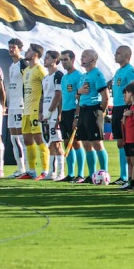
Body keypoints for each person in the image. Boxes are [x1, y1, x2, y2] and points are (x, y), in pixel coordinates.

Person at [75, 49, 110, 184]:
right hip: (83, 110)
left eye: (84, 56)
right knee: (86, 144)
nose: (82, 58)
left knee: (97, 143)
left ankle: (104, 174)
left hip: (93, 110)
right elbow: (77, 95)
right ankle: (91, 175)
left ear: (92, 59)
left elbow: (105, 97)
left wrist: (101, 111)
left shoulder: (97, 74)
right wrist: (78, 92)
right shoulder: (84, 76)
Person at [19, 44, 48, 180]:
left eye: (29, 51)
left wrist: (42, 110)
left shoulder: (40, 70)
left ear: (35, 54)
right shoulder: (25, 71)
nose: (26, 52)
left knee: (39, 139)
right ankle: (31, 171)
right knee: (27, 140)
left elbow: (46, 89)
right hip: (26, 110)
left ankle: (45, 171)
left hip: (36, 110)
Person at [110, 45, 134, 184]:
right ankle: (123, 175)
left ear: (127, 55)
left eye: (118, 53)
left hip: (124, 107)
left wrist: (130, 108)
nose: (116, 55)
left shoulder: (131, 71)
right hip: (116, 107)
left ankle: (127, 176)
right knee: (120, 142)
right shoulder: (118, 71)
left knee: (125, 141)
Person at [57, 51, 84, 181]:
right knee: (67, 143)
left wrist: (77, 116)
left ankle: (80, 174)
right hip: (65, 112)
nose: (63, 62)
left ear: (73, 60)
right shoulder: (64, 77)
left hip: (74, 111)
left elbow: (80, 98)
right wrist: (60, 113)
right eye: (61, 60)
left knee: (77, 143)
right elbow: (62, 96)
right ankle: (71, 173)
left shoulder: (78, 76)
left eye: (65, 59)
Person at [6, 38, 29, 178]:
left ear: (20, 48)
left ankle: (26, 168)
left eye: (13, 47)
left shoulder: (23, 63)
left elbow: (27, 83)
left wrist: (27, 103)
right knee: (14, 138)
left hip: (21, 105)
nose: (11, 49)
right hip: (12, 105)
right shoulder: (11, 66)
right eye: (9, 47)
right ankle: (19, 168)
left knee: (21, 138)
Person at [41, 50, 65, 180]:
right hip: (46, 114)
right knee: (50, 143)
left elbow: (58, 95)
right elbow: (43, 96)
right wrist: (41, 112)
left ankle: (61, 172)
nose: (45, 60)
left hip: (54, 114)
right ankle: (51, 171)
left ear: (55, 60)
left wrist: (52, 111)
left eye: (48, 58)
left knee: (57, 143)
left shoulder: (58, 75)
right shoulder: (46, 77)